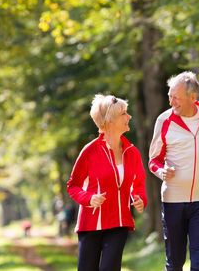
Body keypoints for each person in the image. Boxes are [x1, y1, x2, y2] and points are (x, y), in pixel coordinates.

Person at [149, 71, 199, 271]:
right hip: (173, 201)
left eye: (175, 97)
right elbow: (154, 160)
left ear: (192, 97)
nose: (171, 102)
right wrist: (161, 172)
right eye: (169, 96)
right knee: (175, 261)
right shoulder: (164, 121)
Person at [67, 94, 147, 271]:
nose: (129, 117)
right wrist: (89, 198)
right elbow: (73, 185)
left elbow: (138, 183)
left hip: (119, 222)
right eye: (124, 113)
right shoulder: (89, 151)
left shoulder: (132, 152)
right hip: (91, 224)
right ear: (109, 121)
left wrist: (140, 198)